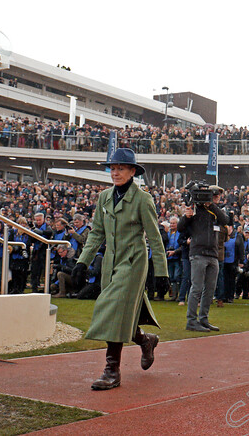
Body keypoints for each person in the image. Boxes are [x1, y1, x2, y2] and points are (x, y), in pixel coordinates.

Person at [73, 148, 168, 391]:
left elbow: (155, 239)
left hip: (134, 263)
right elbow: (96, 233)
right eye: (112, 168)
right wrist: (82, 261)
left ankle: (111, 370)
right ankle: (146, 340)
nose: (115, 173)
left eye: (121, 168)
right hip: (110, 264)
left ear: (132, 171)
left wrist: (161, 272)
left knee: (112, 309)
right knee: (122, 313)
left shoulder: (143, 199)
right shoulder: (104, 197)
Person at [178, 184, 229, 332]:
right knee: (197, 288)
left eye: (218, 196)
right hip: (198, 253)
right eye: (213, 195)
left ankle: (204, 319)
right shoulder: (194, 209)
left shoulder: (215, 211)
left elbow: (225, 220)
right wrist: (186, 216)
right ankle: (191, 320)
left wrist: (211, 206)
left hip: (213, 254)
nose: (216, 198)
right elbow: (181, 227)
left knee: (210, 289)